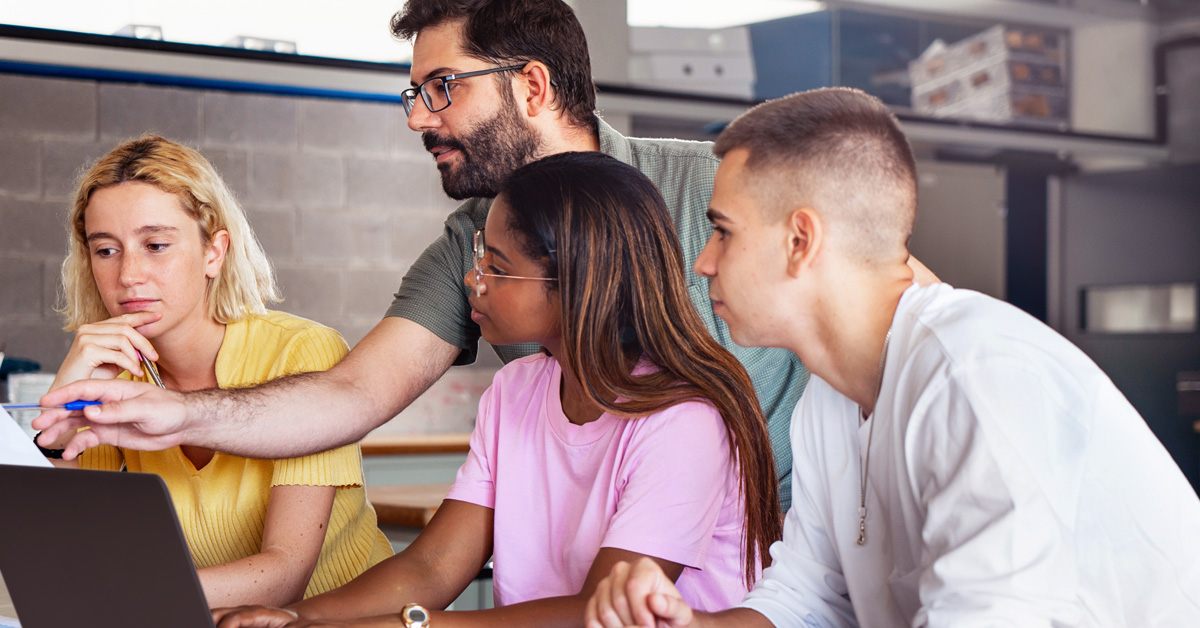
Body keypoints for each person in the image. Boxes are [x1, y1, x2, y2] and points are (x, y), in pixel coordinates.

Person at [35, 0, 936, 513]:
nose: (421, 117)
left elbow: (913, 307)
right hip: (614, 578)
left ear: (532, 86)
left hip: (795, 554)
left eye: (442, 88)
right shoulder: (470, 245)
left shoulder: (714, 186)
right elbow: (353, 394)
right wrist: (169, 415)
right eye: (413, 93)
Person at [584, 87, 1200, 628]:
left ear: (801, 241)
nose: (703, 261)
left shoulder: (973, 375)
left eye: (723, 230)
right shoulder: (831, 398)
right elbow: (809, 600)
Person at [211, 152, 782, 628]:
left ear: (576, 282)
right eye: (479, 255)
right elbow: (432, 568)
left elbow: (602, 613)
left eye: (498, 266)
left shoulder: (685, 417)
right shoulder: (516, 389)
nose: (472, 278)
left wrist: (412, 625)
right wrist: (297, 620)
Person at [40, 134, 394, 609]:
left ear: (214, 252)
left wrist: (129, 593)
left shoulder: (302, 352)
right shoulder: (115, 378)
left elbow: (282, 577)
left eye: (157, 245)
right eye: (107, 250)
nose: (128, 275)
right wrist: (59, 421)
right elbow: (69, 556)